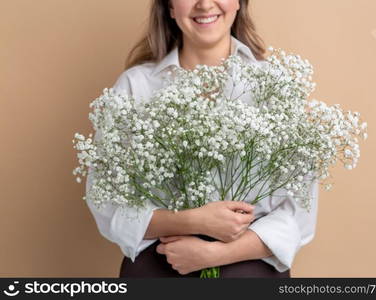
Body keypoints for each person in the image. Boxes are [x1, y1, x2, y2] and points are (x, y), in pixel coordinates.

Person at [86, 0, 319, 278]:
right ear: (170, 7)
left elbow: (299, 212)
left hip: (251, 265)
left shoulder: (278, 85)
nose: (205, 4)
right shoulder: (135, 87)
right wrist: (192, 220)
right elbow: (107, 203)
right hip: (161, 261)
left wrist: (215, 254)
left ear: (239, 4)